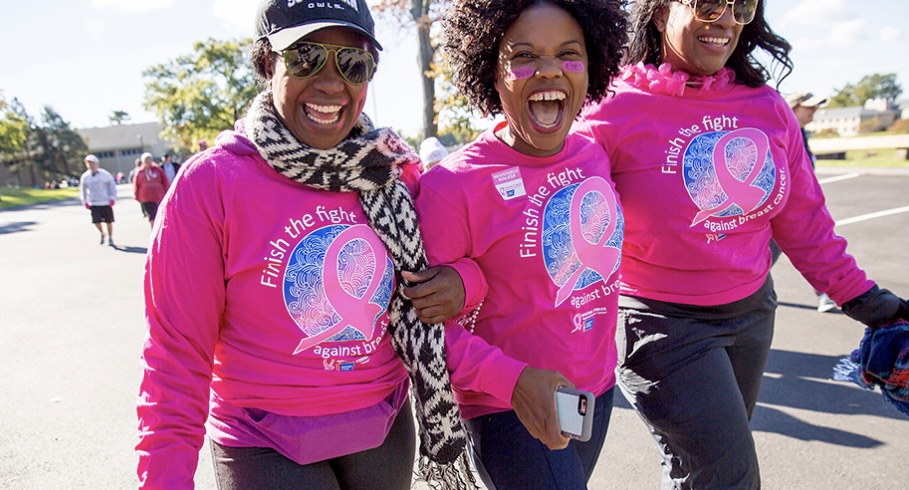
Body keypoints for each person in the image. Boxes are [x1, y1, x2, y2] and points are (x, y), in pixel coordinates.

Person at [135, 1, 475, 488]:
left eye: (353, 64)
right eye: (305, 57)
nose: (333, 82)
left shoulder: (392, 172)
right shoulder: (210, 184)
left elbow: (461, 265)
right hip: (263, 442)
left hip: (383, 430)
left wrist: (464, 281)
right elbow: (175, 358)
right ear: (267, 63)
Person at [578, 1, 909, 488]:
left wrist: (873, 304)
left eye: (742, 6)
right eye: (709, 3)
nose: (728, 20)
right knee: (728, 477)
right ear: (660, 9)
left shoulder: (767, 107)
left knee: (701, 472)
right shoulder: (608, 110)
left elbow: (806, 223)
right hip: (661, 325)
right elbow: (558, 218)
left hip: (753, 314)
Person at [415, 1, 627, 488]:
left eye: (568, 54)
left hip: (595, 391)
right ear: (492, 72)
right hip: (508, 410)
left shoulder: (592, 154)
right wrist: (512, 382)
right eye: (525, 56)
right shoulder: (454, 185)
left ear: (591, 66)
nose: (549, 69)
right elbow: (420, 329)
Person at [780, 91, 838, 312]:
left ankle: (825, 294)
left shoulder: (803, 134)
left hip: (797, 210)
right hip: (782, 213)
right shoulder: (781, 131)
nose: (814, 112)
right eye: (809, 107)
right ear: (793, 108)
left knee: (810, 249)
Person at [78, 154, 117, 246]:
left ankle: (110, 237)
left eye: (92, 163)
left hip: (105, 201)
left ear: (97, 164)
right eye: (89, 164)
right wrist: (85, 201)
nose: (91, 165)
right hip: (94, 202)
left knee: (109, 221)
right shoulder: (85, 176)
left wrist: (112, 197)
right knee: (96, 221)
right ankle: (102, 233)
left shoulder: (105, 174)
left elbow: (112, 186)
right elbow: (83, 189)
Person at [133, 152, 170, 228]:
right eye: (146, 160)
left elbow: (165, 181)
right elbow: (136, 184)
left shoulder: (157, 170)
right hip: (146, 198)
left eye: (149, 159)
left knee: (160, 215)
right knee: (152, 216)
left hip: (159, 196)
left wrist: (168, 193)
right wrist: (136, 196)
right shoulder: (140, 172)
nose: (148, 161)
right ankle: (153, 230)